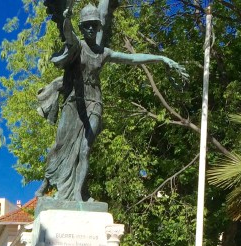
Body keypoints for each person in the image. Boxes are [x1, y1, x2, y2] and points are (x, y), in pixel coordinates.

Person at [36, 1, 187, 201]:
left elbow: (132, 59)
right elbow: (69, 34)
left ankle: (79, 196)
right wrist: (66, 17)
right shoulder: (77, 46)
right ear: (82, 27)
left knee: (85, 150)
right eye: (87, 24)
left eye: (94, 24)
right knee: (60, 146)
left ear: (98, 27)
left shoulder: (103, 53)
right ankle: (47, 184)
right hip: (74, 103)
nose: (91, 28)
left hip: (94, 103)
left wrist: (161, 58)